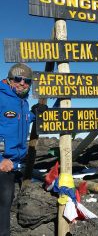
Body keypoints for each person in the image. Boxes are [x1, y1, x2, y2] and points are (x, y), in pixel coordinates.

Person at [0, 63, 45, 235]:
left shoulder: (22, 102)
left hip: (13, 166)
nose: (22, 83)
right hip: (3, 165)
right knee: (3, 210)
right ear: (10, 79)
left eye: (27, 81)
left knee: (5, 208)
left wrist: (35, 113)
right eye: (18, 79)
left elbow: (20, 120)